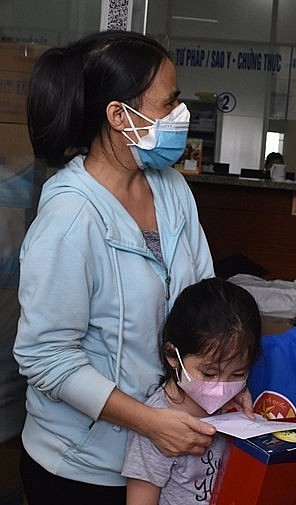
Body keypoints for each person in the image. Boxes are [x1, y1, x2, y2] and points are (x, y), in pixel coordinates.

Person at [12, 30, 247, 505]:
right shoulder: (70, 217)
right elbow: (45, 356)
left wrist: (219, 383)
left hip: (164, 463)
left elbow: (204, 307)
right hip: (82, 467)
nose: (181, 115)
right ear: (119, 115)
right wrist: (149, 421)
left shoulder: (172, 191)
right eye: (169, 103)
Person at [122, 277, 262, 505]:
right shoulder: (155, 426)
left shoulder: (235, 406)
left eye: (237, 375)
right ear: (172, 355)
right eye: (208, 374)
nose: (222, 388)